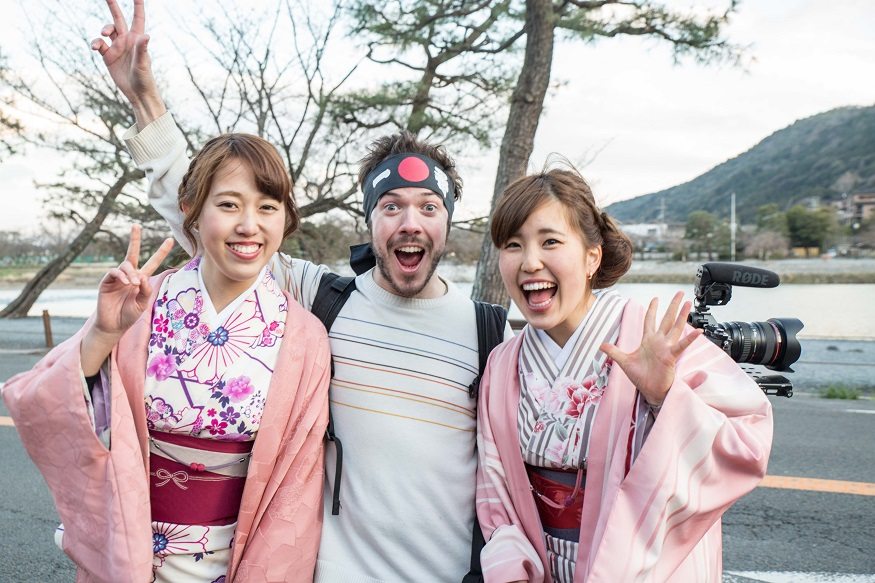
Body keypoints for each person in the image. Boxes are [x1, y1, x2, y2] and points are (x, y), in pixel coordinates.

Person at [91, 1, 511, 581]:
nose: (409, 223)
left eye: (429, 208)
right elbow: (224, 229)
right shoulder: (325, 301)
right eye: (391, 207)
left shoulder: (489, 334)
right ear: (370, 221)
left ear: (448, 222)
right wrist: (145, 99)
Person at [3, 133, 331, 582]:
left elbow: (295, 488)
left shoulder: (306, 338)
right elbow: (40, 402)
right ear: (190, 210)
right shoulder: (139, 303)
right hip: (129, 546)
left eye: (268, 207)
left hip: (233, 559)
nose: (249, 225)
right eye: (229, 204)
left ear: (286, 218)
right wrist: (103, 334)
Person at [475, 168, 773, 582]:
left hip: (643, 568)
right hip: (542, 569)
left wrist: (665, 395)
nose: (530, 262)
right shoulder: (502, 364)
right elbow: (496, 493)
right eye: (513, 245)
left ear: (591, 256)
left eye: (550, 242)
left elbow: (747, 445)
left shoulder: (658, 340)